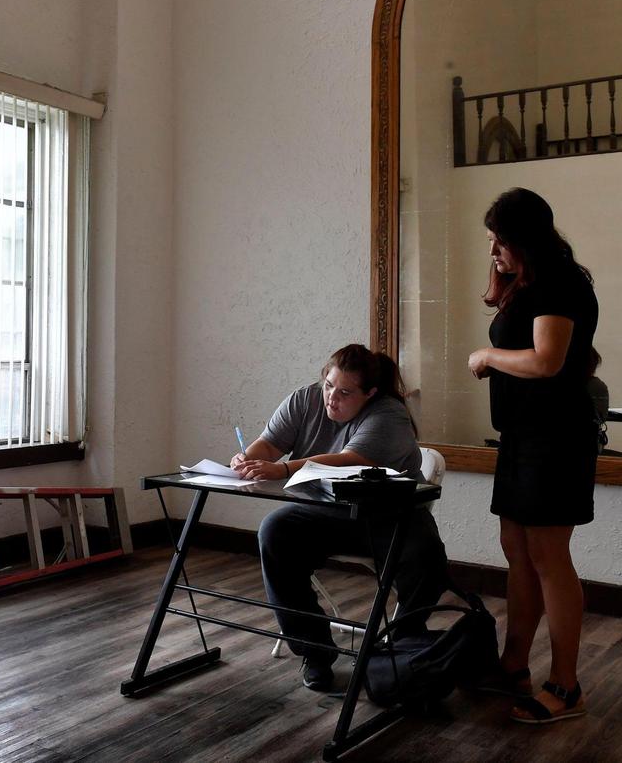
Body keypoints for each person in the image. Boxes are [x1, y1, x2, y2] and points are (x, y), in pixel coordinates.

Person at [233, 344, 448, 692]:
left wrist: (281, 468)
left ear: (370, 394)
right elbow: (269, 445)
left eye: (345, 392)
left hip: (388, 516)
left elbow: (351, 460)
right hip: (327, 514)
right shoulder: (305, 400)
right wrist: (246, 459)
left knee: (426, 557)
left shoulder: (389, 414)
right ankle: (315, 649)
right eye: (328, 385)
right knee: (274, 532)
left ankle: (403, 644)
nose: (332, 398)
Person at [465, 187, 598, 724]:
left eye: (501, 241)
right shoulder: (534, 282)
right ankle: (513, 662)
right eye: (492, 240)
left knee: (548, 557)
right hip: (523, 435)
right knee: (517, 549)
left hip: (556, 438)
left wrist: (487, 354)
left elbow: (546, 361)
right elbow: (574, 355)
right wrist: (501, 280)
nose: (493, 248)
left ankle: (566, 687)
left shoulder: (563, 283)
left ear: (528, 240)